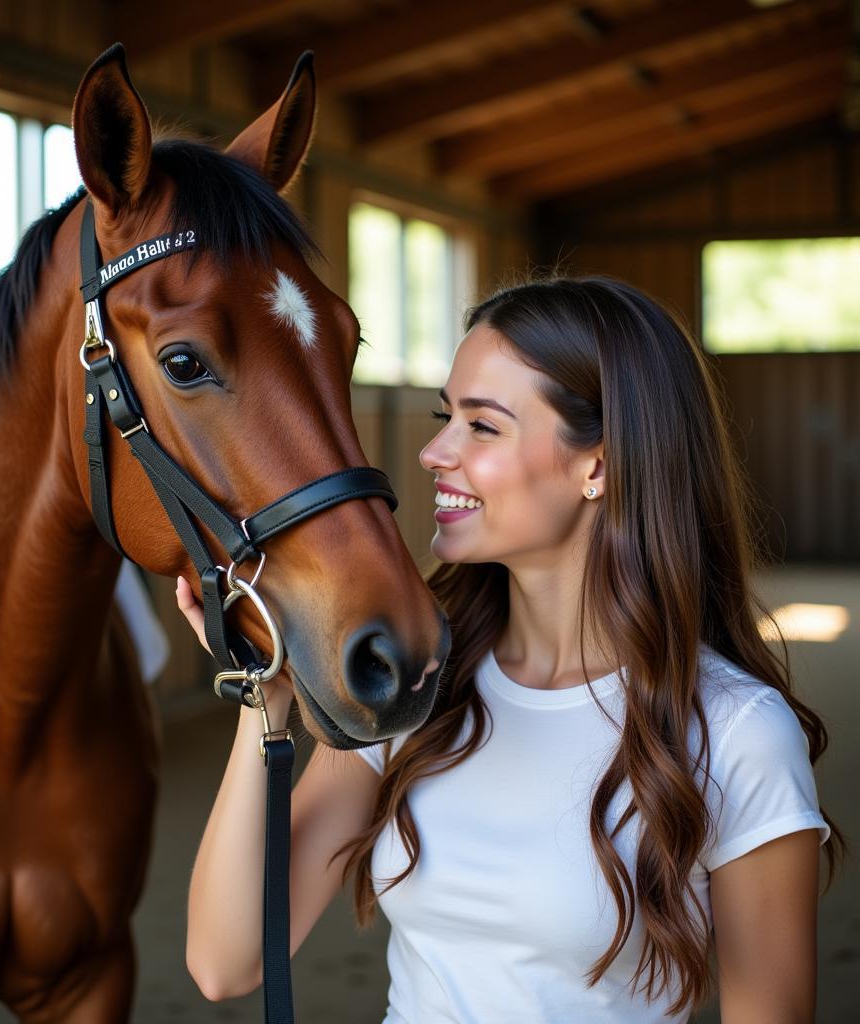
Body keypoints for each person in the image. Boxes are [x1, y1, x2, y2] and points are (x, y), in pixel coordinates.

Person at [179, 276, 842, 1023]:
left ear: (598, 464)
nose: (434, 451)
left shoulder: (735, 730)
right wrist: (262, 696)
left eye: (482, 426)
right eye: (444, 417)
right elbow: (225, 959)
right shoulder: (416, 682)